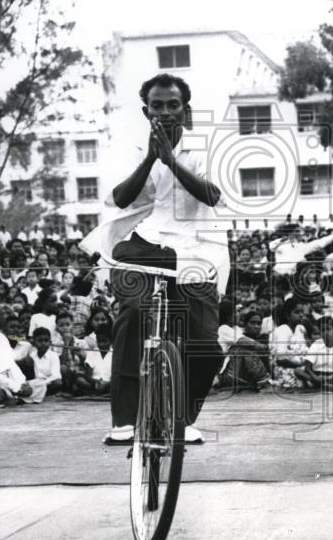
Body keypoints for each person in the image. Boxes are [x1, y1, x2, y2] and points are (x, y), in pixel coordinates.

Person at [84, 73, 227, 445]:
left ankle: (184, 417)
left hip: (197, 248)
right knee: (131, 316)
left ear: (185, 109)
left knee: (206, 345)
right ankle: (126, 418)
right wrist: (151, 158)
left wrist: (172, 161)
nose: (164, 112)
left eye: (173, 105)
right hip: (147, 241)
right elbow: (120, 198)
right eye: (157, 106)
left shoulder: (206, 146)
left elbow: (212, 195)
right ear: (146, 110)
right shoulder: (131, 147)